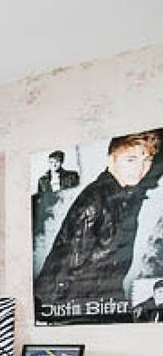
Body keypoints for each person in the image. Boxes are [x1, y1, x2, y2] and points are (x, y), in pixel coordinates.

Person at [35, 132, 159, 318]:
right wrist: (49, 316)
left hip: (100, 302)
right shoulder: (96, 200)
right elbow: (65, 266)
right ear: (111, 160)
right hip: (76, 307)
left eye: (147, 160)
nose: (140, 168)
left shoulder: (124, 196)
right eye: (131, 160)